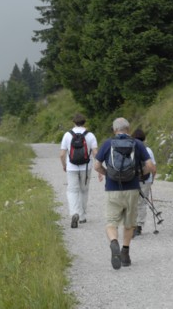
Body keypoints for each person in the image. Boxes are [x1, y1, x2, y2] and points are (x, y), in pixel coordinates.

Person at [94, 118, 156, 270]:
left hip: (112, 189)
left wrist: (107, 174)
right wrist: (139, 175)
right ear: (128, 129)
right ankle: (125, 253)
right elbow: (150, 166)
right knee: (129, 224)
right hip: (132, 189)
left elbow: (96, 165)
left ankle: (114, 242)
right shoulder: (138, 144)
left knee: (111, 222)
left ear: (114, 129)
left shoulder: (108, 144)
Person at [60, 113, 98, 228]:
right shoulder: (90, 135)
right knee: (84, 190)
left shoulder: (67, 135)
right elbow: (96, 153)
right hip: (86, 167)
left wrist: (64, 165)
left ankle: (74, 213)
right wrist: (99, 167)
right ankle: (82, 216)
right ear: (84, 122)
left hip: (71, 167)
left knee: (72, 190)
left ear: (73, 122)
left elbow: (62, 154)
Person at [131, 129, 156, 237]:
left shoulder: (130, 149)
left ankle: (132, 224)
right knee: (142, 202)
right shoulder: (148, 150)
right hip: (146, 180)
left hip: (132, 179)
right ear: (144, 139)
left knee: (132, 202)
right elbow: (153, 167)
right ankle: (139, 226)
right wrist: (152, 179)